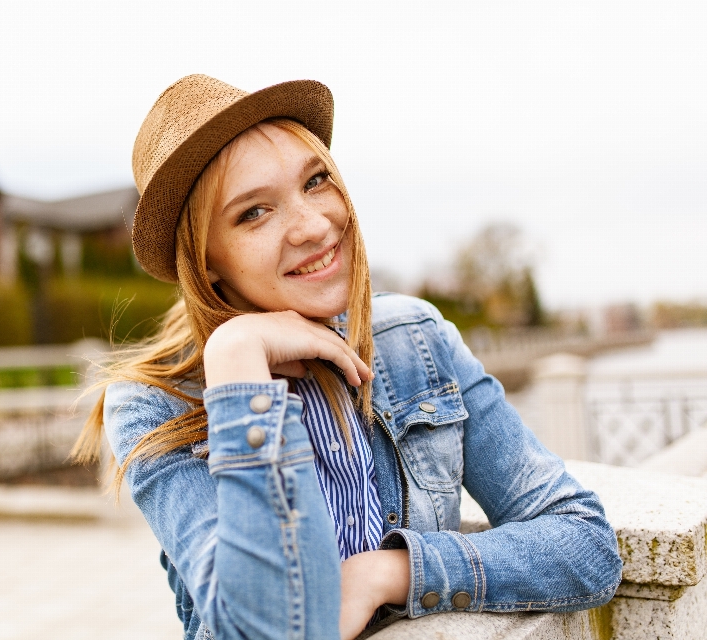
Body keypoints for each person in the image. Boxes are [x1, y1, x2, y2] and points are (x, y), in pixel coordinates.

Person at [73, 75, 622, 640]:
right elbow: (268, 629)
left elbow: (583, 542)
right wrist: (238, 365)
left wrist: (389, 572)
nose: (314, 226)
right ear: (205, 260)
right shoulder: (154, 405)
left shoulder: (415, 340)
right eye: (254, 213)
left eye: (316, 182)